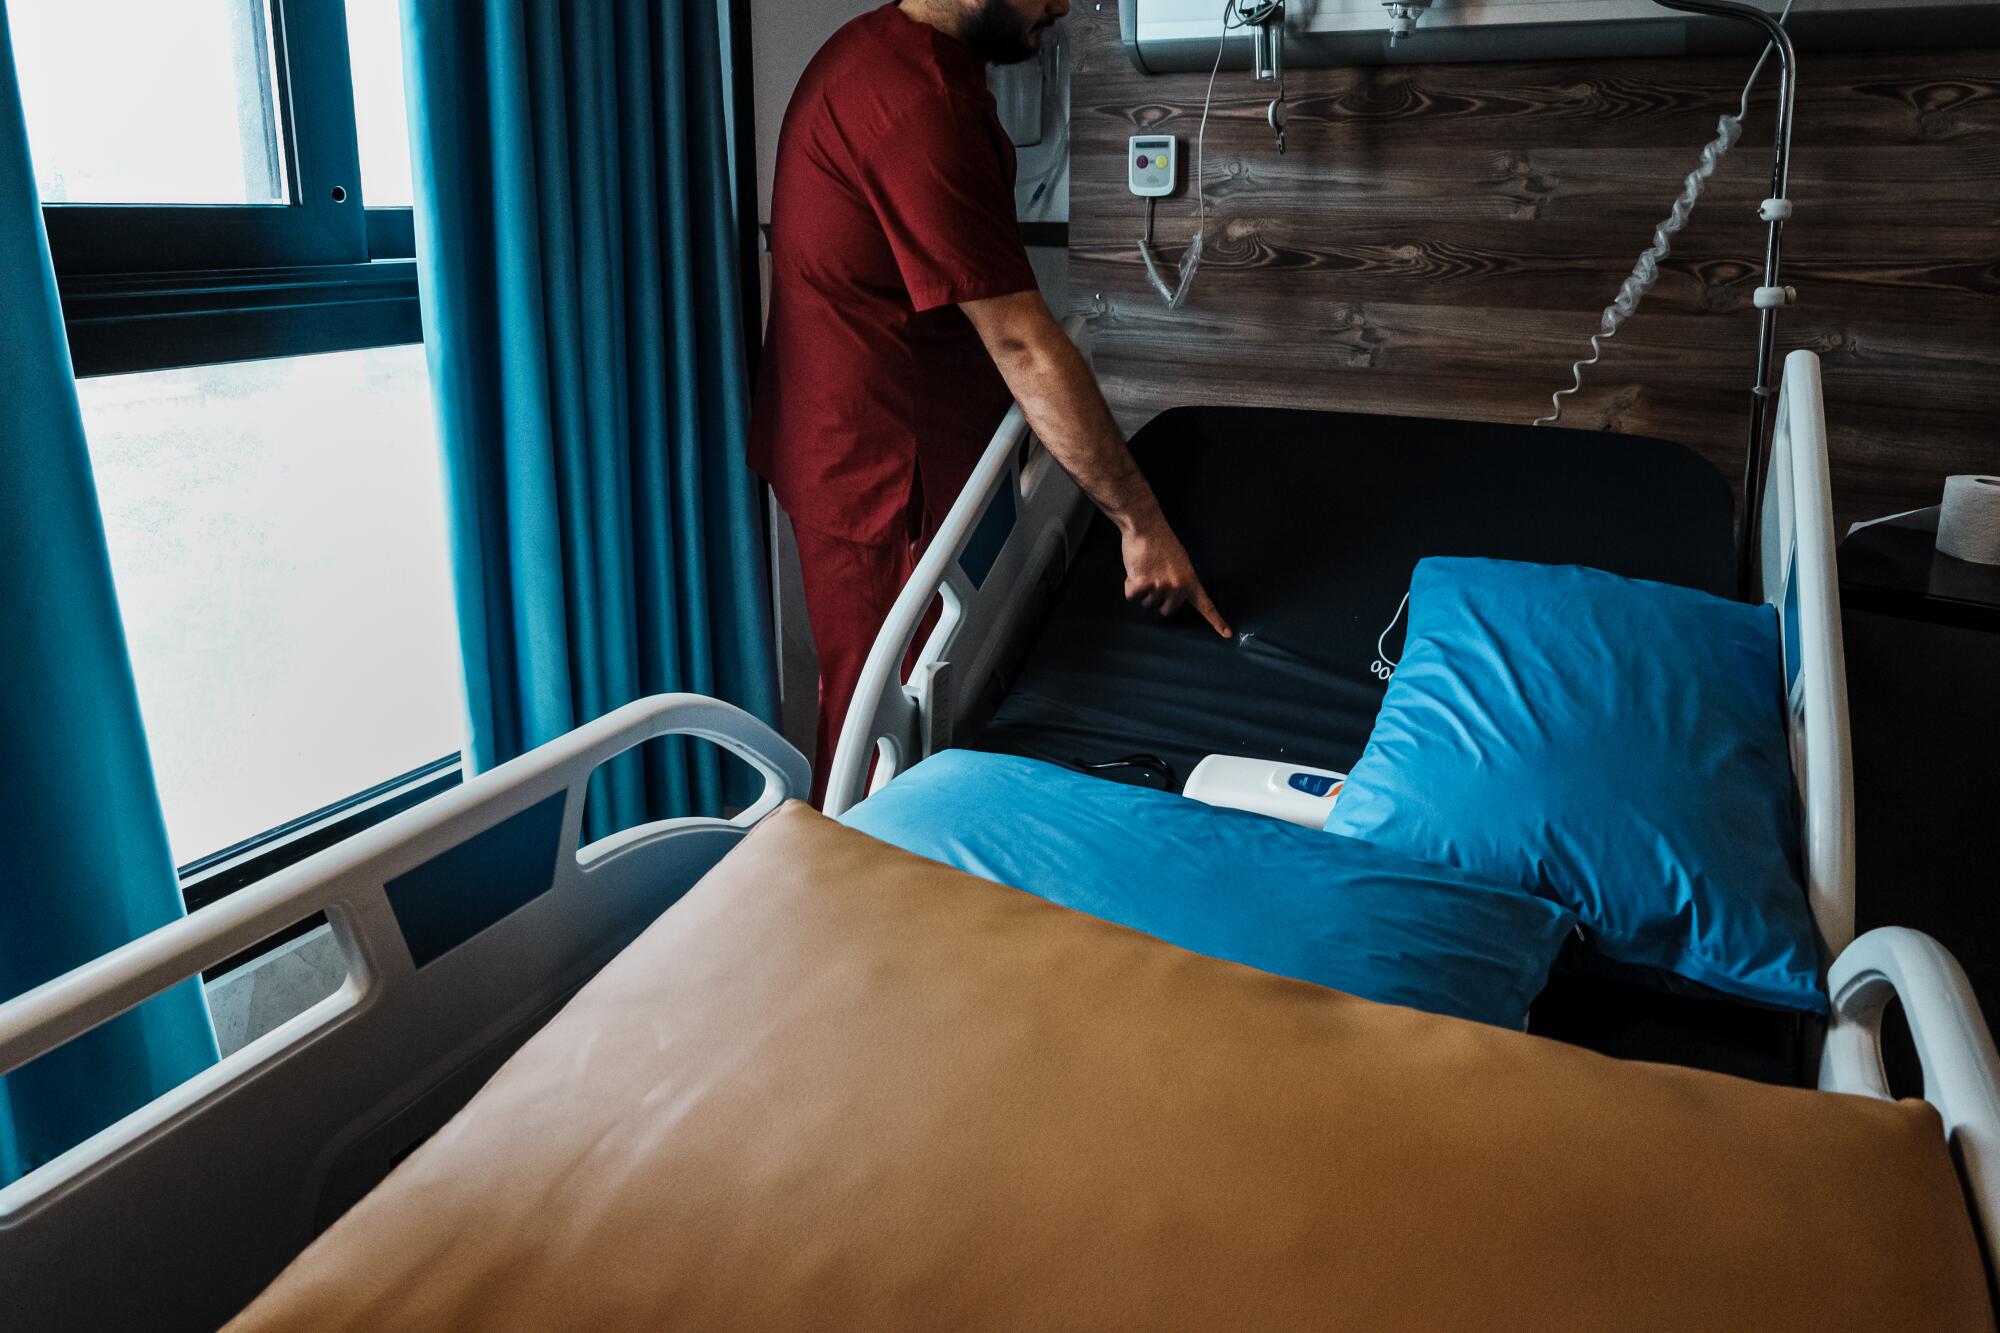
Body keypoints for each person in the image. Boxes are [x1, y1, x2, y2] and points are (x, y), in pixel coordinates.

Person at [750, 0, 1230, 803]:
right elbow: (1021, 342)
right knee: (874, 738)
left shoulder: (907, 63)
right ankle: (856, 901)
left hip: (902, 448)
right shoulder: (913, 103)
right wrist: (1140, 525)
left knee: (914, 712)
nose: (1062, 7)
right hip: (877, 477)